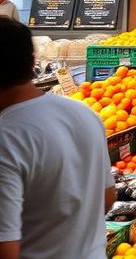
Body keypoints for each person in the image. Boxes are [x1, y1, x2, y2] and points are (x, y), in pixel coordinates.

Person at [0, 19, 115, 259]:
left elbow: (6, 248)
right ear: (32, 62)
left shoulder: (6, 137)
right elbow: (107, 197)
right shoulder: (84, 113)